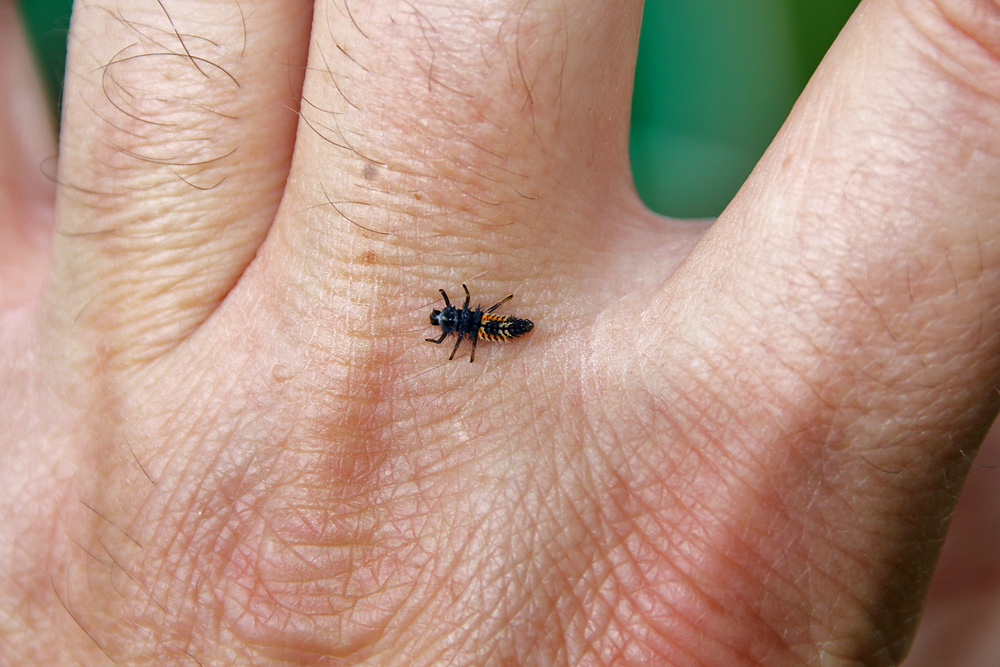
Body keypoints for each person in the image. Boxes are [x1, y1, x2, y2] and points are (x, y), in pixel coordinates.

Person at [2, 0, 998, 663]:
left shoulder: (468, 323)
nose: (452, 321)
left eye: (453, 317)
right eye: (453, 317)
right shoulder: (465, 324)